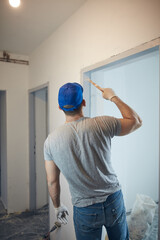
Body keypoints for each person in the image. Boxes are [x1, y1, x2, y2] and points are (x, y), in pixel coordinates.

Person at [44, 82, 142, 240]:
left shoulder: (50, 141)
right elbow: (136, 121)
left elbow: (52, 182)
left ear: (60, 107)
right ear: (83, 103)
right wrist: (113, 97)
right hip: (113, 200)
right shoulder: (102, 123)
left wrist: (57, 207)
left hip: (84, 209)